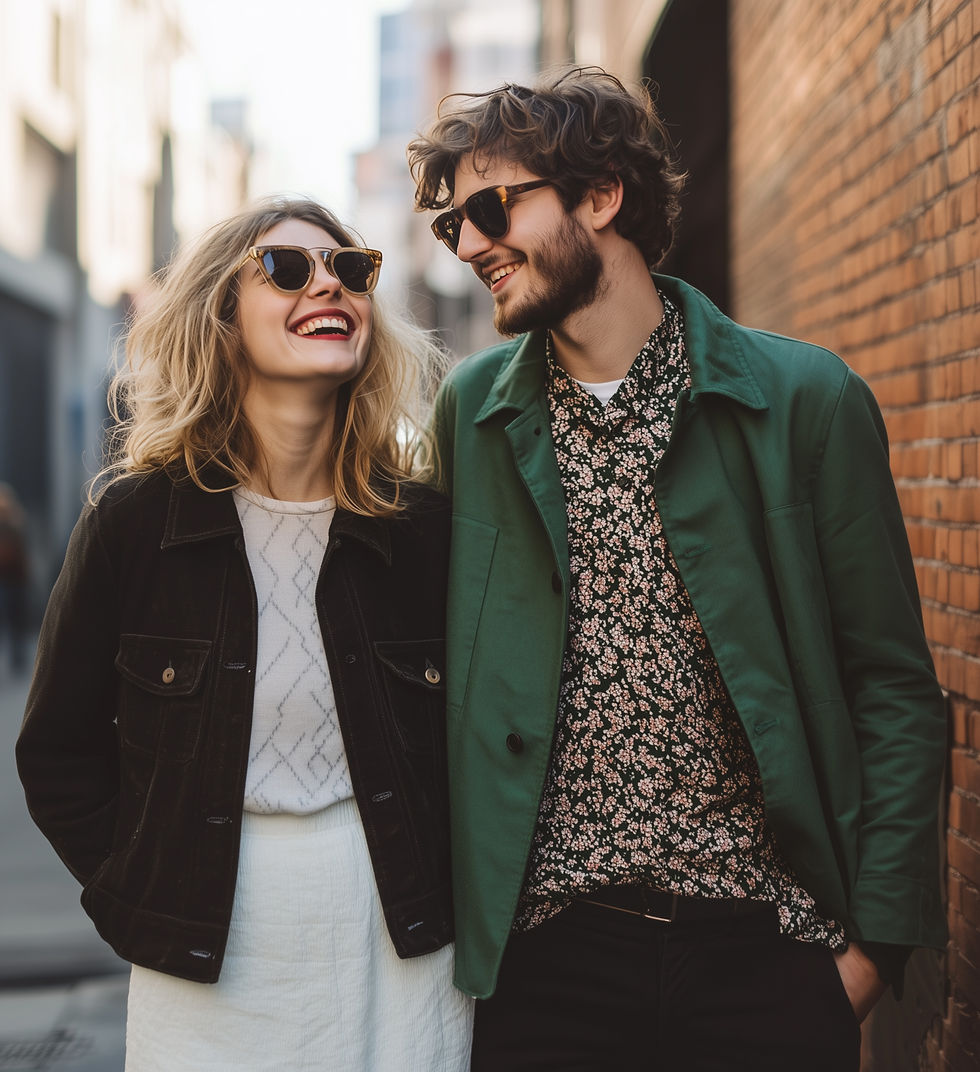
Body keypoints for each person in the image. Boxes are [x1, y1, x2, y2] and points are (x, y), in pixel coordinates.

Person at [407, 66, 947, 1071]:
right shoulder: (471, 414)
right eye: (452, 226)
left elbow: (893, 690)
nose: (470, 245)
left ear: (602, 195)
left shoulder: (805, 400)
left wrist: (871, 953)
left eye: (491, 208)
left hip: (765, 952)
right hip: (545, 962)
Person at [16, 197, 473, 1071]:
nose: (327, 286)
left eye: (350, 270)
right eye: (288, 270)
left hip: (399, 945)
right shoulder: (136, 524)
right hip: (207, 957)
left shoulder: (420, 529)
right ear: (221, 322)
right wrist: (140, 886)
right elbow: (58, 756)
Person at [0, 482, 29, 674]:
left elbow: (22, 554)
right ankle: (17, 658)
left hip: (14, 580)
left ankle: (18, 658)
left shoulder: (15, 524)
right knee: (12, 621)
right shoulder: (14, 524)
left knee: (16, 621)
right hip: (8, 580)